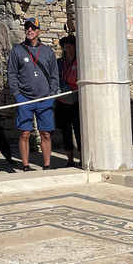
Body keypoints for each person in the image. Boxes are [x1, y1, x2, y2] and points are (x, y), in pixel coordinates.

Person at [7, 17, 59, 172]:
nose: (29, 30)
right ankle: (25, 165)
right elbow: (12, 74)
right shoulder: (17, 51)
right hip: (24, 98)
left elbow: (54, 74)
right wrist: (17, 94)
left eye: (33, 28)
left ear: (39, 31)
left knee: (46, 134)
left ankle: (47, 165)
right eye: (27, 27)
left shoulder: (47, 52)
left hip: (44, 99)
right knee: (24, 133)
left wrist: (51, 94)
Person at [55, 34, 80, 168]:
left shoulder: (80, 62)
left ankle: (82, 158)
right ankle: (70, 160)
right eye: (65, 42)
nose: (67, 44)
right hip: (62, 101)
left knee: (79, 130)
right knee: (65, 132)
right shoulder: (59, 62)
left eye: (71, 42)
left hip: (77, 101)